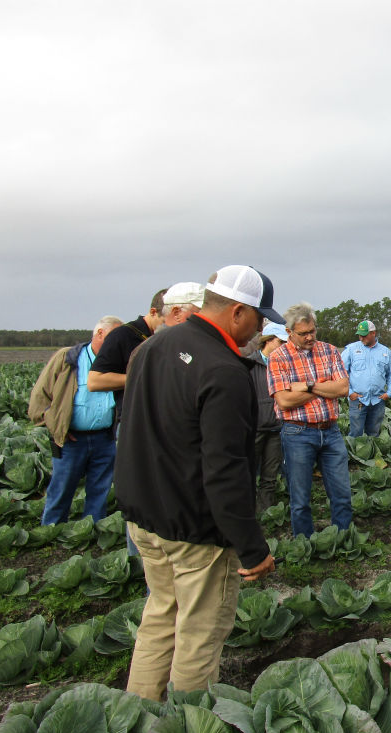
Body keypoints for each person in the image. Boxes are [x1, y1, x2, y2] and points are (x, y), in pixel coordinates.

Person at [115, 265, 280, 701]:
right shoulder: (224, 369)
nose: (260, 328)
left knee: (160, 618)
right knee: (199, 636)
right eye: (260, 318)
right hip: (195, 531)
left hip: (145, 519)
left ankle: (140, 717)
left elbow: (134, 428)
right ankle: (189, 728)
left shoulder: (154, 346)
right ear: (238, 312)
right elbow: (224, 470)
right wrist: (251, 546)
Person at [267, 302, 353, 538]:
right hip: (297, 433)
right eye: (303, 333)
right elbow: (284, 401)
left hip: (331, 431)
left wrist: (308, 386)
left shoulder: (330, 350)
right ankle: (303, 546)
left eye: (312, 331)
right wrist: (325, 386)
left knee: (342, 493)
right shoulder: (278, 358)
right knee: (300, 497)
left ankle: (342, 539)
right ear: (289, 333)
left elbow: (343, 388)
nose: (309, 337)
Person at [28, 316, 123, 525]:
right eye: (115, 338)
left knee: (100, 488)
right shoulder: (67, 358)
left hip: (104, 438)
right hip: (71, 439)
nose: (119, 344)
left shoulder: (119, 363)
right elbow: (39, 397)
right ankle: (51, 529)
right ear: (99, 334)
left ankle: (93, 529)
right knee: (62, 487)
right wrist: (55, 425)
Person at [87, 288, 167, 421]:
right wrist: (146, 377)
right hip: (133, 421)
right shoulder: (123, 335)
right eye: (165, 321)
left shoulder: (169, 339)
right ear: (153, 312)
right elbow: (94, 381)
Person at [249, 322, 287, 511]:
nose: (284, 346)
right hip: (254, 428)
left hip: (276, 427)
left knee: (270, 475)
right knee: (247, 473)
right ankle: (246, 511)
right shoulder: (249, 364)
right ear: (269, 341)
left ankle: (265, 513)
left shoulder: (284, 365)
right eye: (281, 342)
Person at [342, 320, 391, 437]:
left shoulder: (385, 352)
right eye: (359, 335)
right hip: (358, 400)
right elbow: (341, 373)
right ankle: (354, 455)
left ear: (373, 333)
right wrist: (350, 392)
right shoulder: (351, 350)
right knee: (356, 434)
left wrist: (390, 392)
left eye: (364, 335)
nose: (361, 338)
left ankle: (373, 455)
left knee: (374, 433)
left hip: (378, 400)